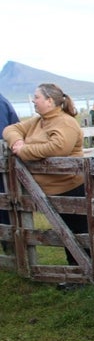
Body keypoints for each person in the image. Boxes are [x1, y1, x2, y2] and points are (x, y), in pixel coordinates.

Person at [3, 84, 87, 266]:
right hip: (46, 191)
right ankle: (77, 274)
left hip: (70, 188)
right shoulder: (37, 121)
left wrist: (24, 150)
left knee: (77, 232)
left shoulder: (66, 122)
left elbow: (58, 147)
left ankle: (83, 273)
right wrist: (17, 141)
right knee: (65, 232)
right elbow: (9, 129)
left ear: (49, 101)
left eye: (37, 97)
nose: (33, 100)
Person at [0, 92, 20, 235]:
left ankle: (9, 242)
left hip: (4, 164)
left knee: (4, 204)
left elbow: (2, 135)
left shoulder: (0, 104)